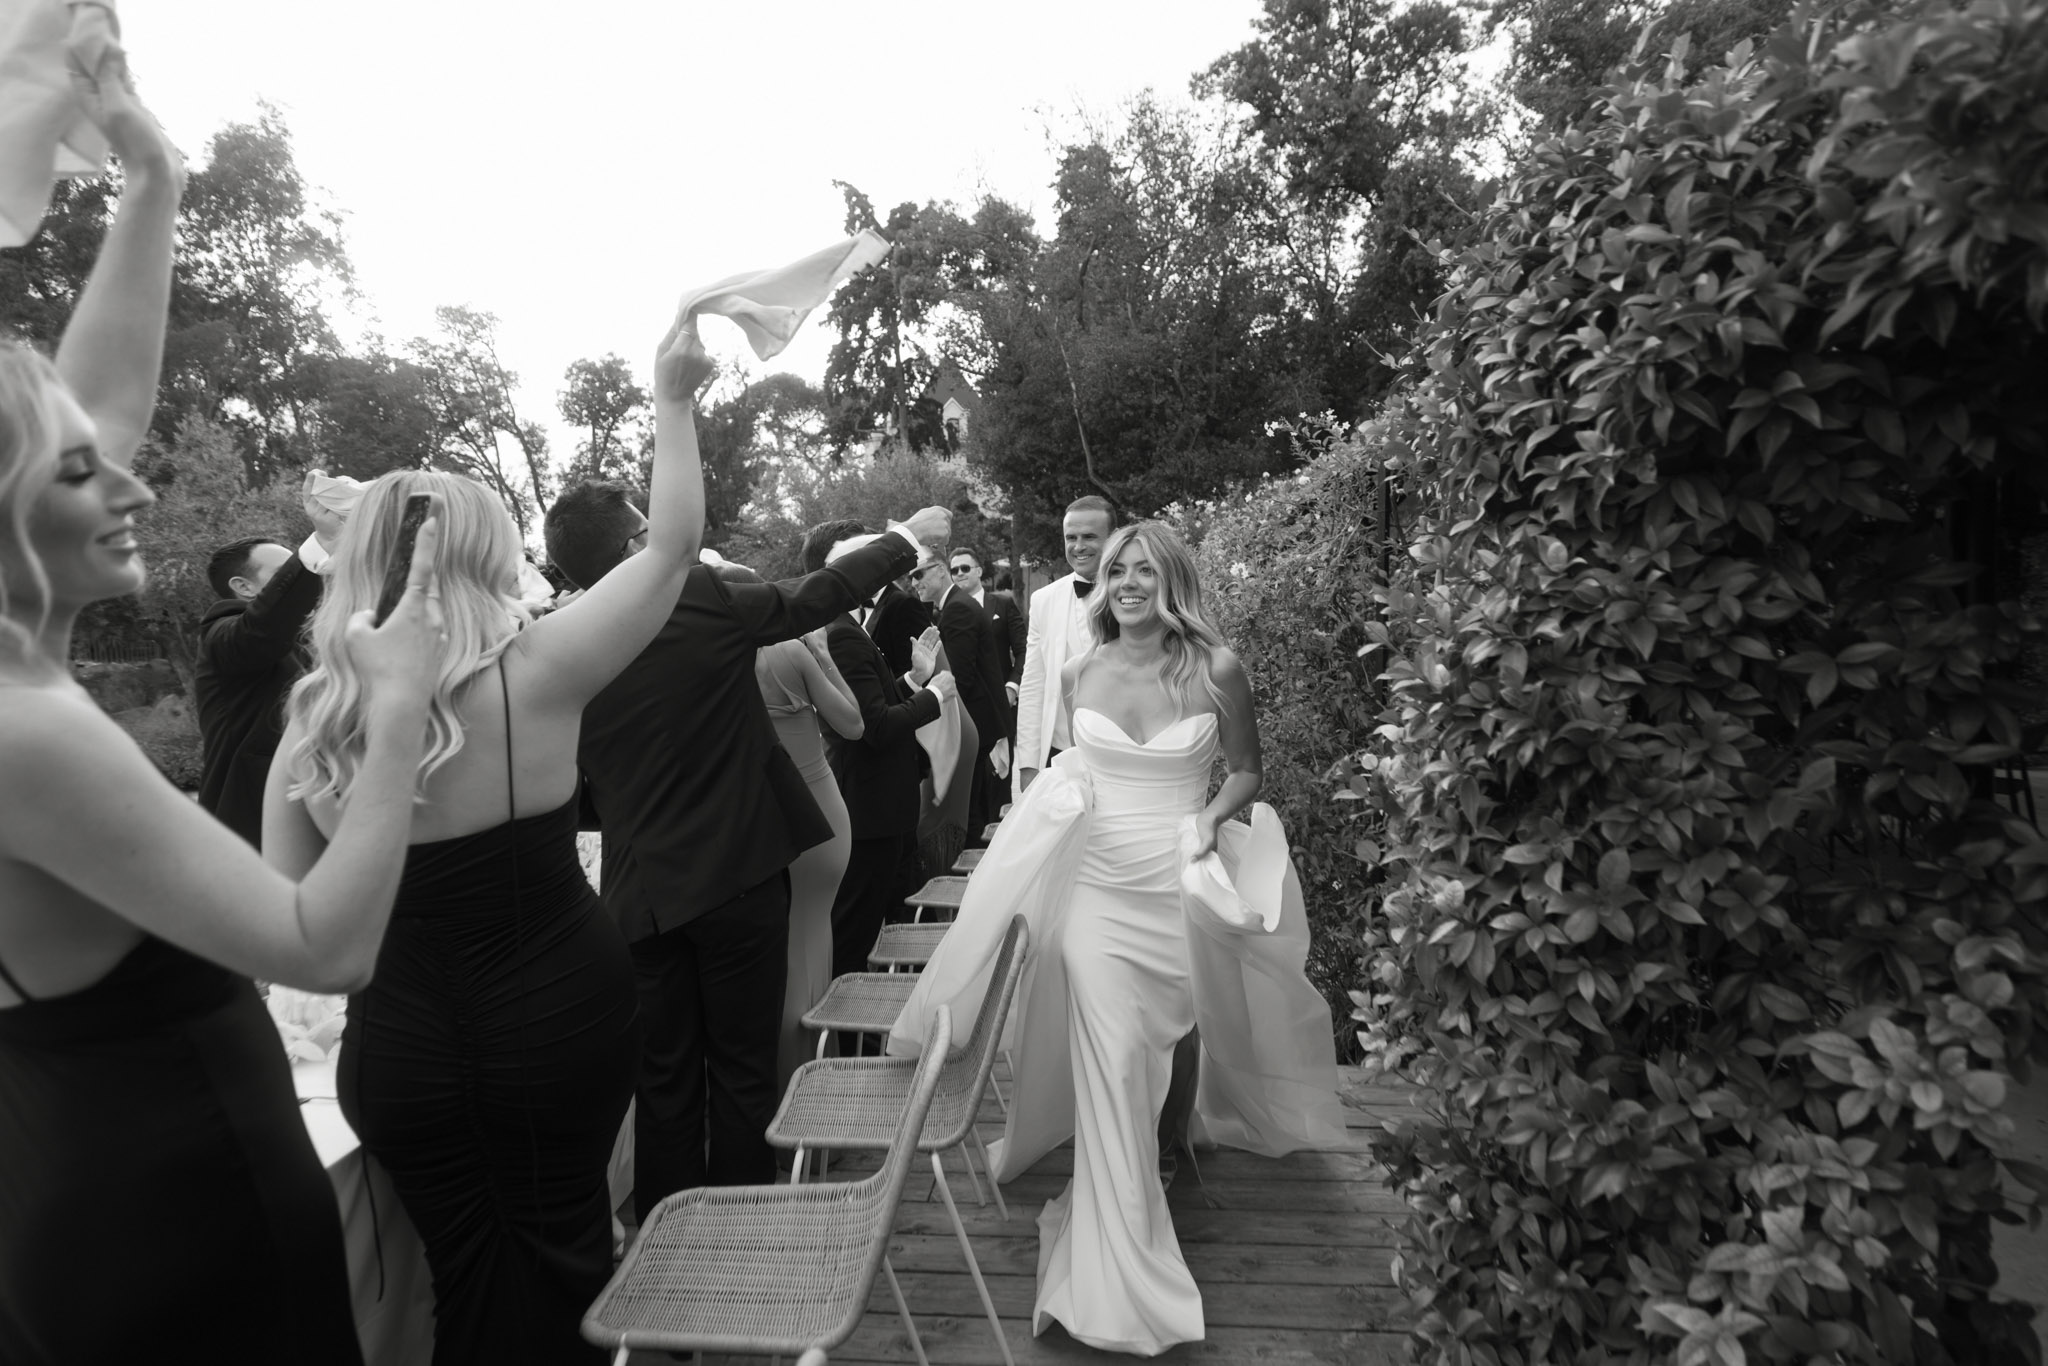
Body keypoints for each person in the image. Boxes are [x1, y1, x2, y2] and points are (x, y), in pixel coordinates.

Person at [0, 41, 448, 1364]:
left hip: (95, 1174)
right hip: (174, 1213)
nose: (133, 482)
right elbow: (319, 941)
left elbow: (108, 402)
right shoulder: (28, 733)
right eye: (85, 471)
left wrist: (151, 175)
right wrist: (400, 703)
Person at [264, 317, 711, 1365]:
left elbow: (289, 903)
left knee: (459, 1269)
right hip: (556, 1026)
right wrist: (674, 403)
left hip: (401, 1050)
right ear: (487, 555)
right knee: (561, 1251)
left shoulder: (314, 715)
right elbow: (671, 548)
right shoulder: (538, 672)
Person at [889, 522, 1351, 1357]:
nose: (1128, 582)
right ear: (1102, 585)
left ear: (1172, 579)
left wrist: (1211, 816)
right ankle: (1117, 1249)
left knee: (1160, 1047)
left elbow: (1247, 767)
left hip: (1175, 882)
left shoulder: (1217, 669)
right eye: (1116, 571)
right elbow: (1081, 774)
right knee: (1109, 1054)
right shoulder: (1076, 670)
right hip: (1100, 891)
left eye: (1144, 569)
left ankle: (1164, 1152)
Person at [548, 499, 943, 1208]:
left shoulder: (554, 641)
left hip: (639, 893)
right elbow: (818, 594)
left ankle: (668, 1248)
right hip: (740, 875)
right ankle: (736, 1232)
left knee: (663, 1084)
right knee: (742, 1072)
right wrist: (904, 540)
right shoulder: (698, 596)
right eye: (648, 527)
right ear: (637, 541)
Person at [802, 521, 956, 993]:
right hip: (870, 808)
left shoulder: (848, 626)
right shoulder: (843, 633)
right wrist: (934, 695)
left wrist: (912, 679)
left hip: (876, 804)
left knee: (872, 921)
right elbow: (874, 729)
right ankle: (847, 1044)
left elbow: (874, 707)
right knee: (856, 933)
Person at [729, 562, 865, 1088]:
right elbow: (851, 724)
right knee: (808, 948)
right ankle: (803, 1088)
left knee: (766, 960)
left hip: (752, 825)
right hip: (819, 819)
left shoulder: (710, 663)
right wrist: (824, 658)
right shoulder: (790, 651)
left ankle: (770, 1087)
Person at [193, 491, 345, 846]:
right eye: (282, 574)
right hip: (249, 829)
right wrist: (321, 542)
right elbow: (262, 630)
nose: (297, 580)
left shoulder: (300, 639)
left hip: (312, 818)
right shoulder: (223, 633)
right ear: (243, 587)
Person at [1015, 494, 1113, 798]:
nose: (1078, 546)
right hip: (1061, 754)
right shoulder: (1044, 600)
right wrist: (1029, 765)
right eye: (1071, 537)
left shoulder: (1138, 594)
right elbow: (1033, 685)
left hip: (1122, 754)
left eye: (1089, 537)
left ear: (1114, 539)